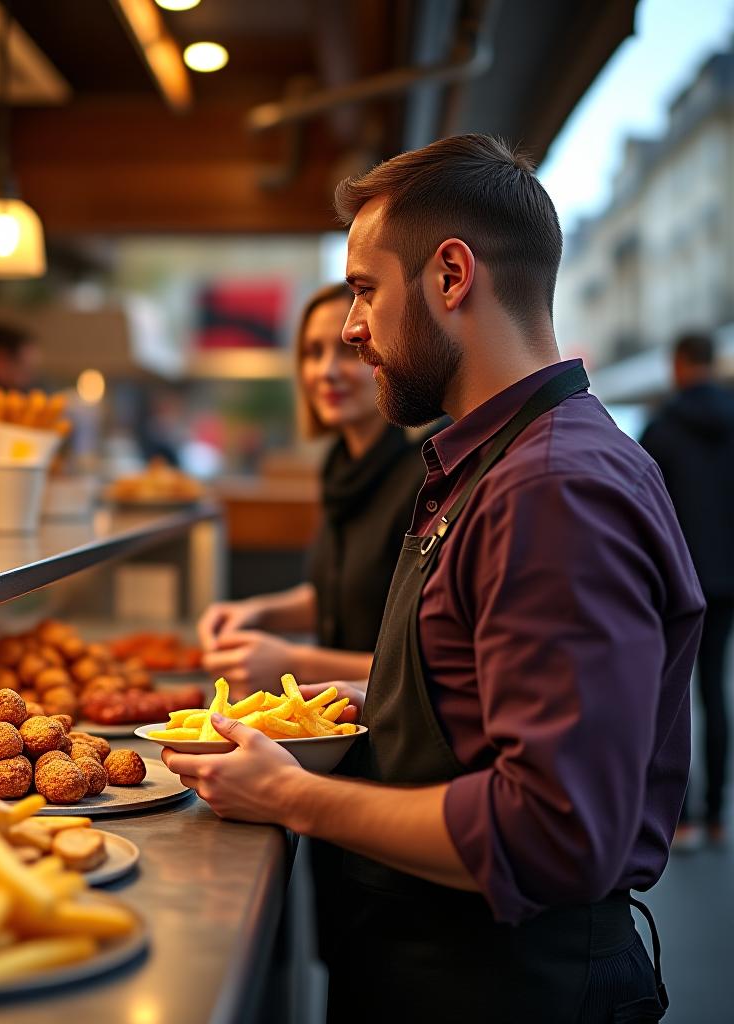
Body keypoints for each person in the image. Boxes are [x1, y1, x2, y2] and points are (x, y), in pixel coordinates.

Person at [162, 134, 704, 1024]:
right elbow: (476, 691)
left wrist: (293, 794)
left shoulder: (552, 488)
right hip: (434, 964)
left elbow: (556, 831)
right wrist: (352, 695)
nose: (348, 328)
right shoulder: (495, 461)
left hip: (506, 987)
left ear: (451, 276)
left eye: (365, 291)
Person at [197, 284, 428, 695]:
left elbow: (424, 667)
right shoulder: (341, 465)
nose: (326, 371)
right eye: (312, 353)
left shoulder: (425, 476)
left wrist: (293, 663)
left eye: (346, 351)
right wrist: (257, 612)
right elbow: (344, 595)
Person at [641, 333, 734, 849]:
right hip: (727, 578)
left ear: (679, 364)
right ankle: (718, 811)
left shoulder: (665, 426)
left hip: (678, 579)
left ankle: (681, 814)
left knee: (672, 695)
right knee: (715, 691)